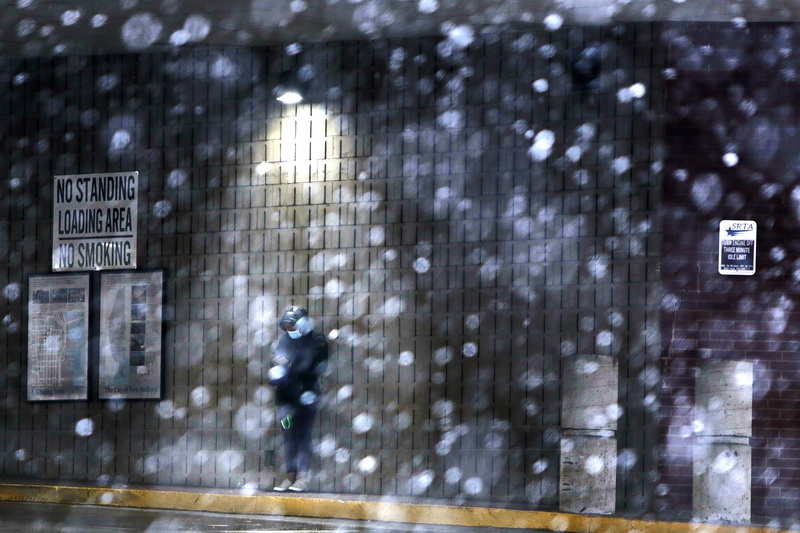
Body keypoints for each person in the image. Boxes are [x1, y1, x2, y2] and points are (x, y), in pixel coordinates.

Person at [267, 306, 328, 492]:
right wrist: (279, 369)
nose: (290, 330)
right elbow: (275, 363)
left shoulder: (316, 340)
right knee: (288, 437)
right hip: (285, 400)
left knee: (303, 436)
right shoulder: (284, 340)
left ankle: (303, 478)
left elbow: (311, 366)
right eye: (287, 327)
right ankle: (290, 477)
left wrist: (289, 366)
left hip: (306, 398)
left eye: (292, 326)